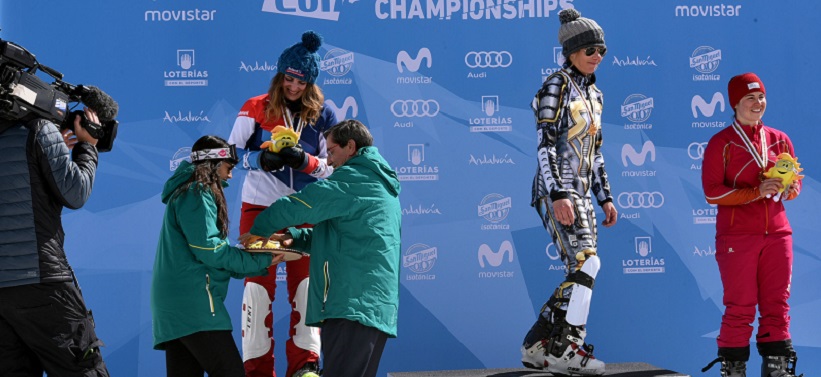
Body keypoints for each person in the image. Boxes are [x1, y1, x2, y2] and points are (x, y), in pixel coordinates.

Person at [239, 119, 401, 377]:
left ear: (350, 146)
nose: (329, 160)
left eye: (332, 151)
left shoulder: (353, 179)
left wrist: (261, 228)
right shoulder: (376, 181)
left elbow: (302, 204)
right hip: (371, 307)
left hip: (352, 305)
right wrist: (296, 238)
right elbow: (347, 236)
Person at [227, 30, 337, 377]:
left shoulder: (324, 113)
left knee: (306, 290)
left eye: (301, 81)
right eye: (288, 78)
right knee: (257, 289)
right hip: (260, 209)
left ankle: (305, 368)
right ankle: (257, 370)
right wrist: (260, 161)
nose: (293, 87)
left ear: (310, 82)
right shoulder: (256, 106)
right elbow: (229, 156)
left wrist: (303, 161)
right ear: (280, 75)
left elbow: (333, 167)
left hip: (305, 211)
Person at [519, 8, 617, 376]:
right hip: (556, 189)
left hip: (582, 193)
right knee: (586, 263)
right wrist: (557, 192)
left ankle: (537, 343)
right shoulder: (556, 84)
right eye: (590, 49)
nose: (597, 56)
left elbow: (597, 151)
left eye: (602, 50)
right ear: (572, 51)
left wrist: (604, 196)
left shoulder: (597, 95)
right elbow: (544, 144)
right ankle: (567, 346)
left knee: (583, 269)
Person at [151, 135, 283, 377]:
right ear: (212, 163)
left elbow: (209, 251)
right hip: (194, 303)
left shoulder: (188, 191)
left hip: (178, 304)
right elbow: (211, 251)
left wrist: (258, 262)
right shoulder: (197, 192)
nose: (230, 176)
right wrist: (262, 259)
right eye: (229, 167)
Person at [700, 73, 803, 377]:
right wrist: (756, 191)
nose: (758, 103)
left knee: (777, 303)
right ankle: (733, 369)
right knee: (740, 306)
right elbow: (711, 192)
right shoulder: (722, 142)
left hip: (778, 233)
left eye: (761, 97)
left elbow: (794, 187)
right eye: (750, 98)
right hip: (738, 235)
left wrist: (789, 188)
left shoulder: (779, 139)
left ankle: (777, 368)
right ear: (735, 103)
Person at [0, 109, 110, 376]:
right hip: (42, 280)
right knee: (84, 370)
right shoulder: (39, 130)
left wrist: (50, 150)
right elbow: (76, 192)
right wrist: (87, 145)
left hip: (3, 293)